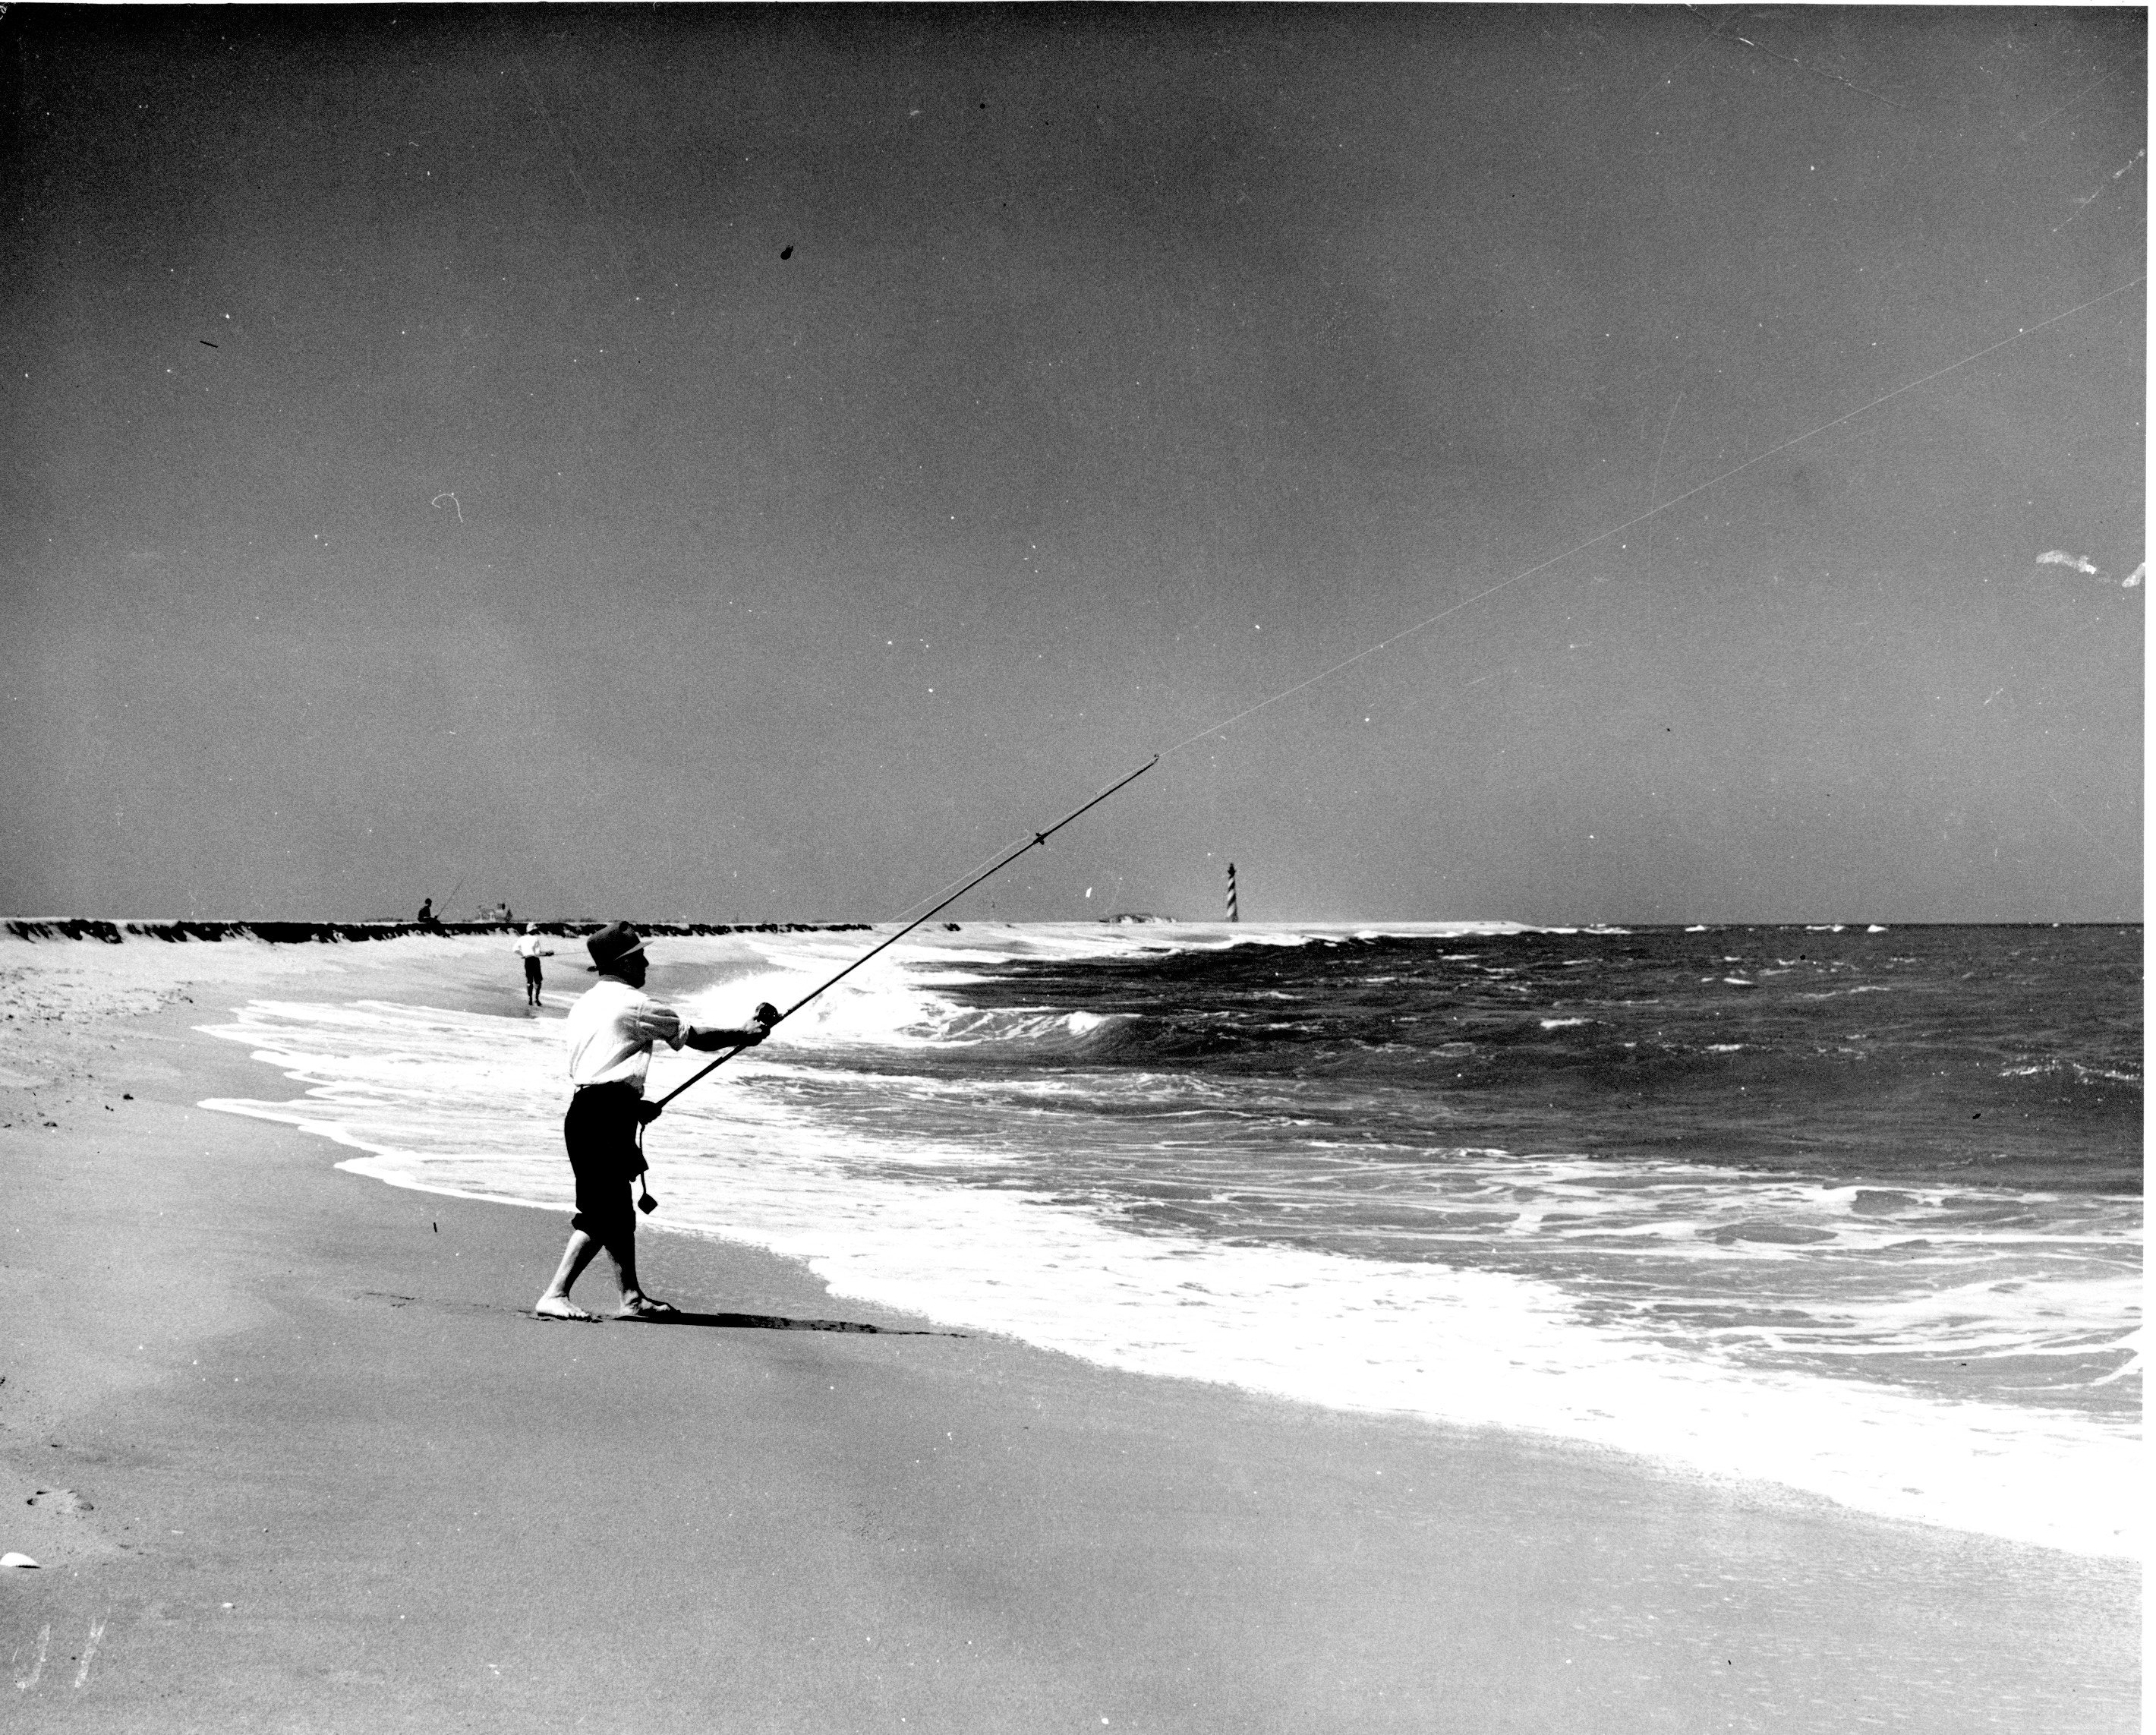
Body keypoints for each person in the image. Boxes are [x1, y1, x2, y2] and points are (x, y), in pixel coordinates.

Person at [534, 922, 779, 1321]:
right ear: (623, 963)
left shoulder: (586, 1003)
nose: (646, 962)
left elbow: (602, 1064)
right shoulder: (635, 1004)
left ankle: (631, 1298)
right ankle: (555, 1293)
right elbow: (694, 1036)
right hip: (605, 1115)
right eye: (639, 956)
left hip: (588, 1111)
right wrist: (745, 1033)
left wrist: (633, 1105)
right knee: (603, 1212)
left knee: (617, 1209)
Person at [514, 923, 554, 1008]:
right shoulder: (535, 938)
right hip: (535, 961)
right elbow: (538, 953)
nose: (536, 931)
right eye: (535, 930)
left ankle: (530, 1000)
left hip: (527, 960)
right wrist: (548, 954)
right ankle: (536, 999)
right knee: (538, 981)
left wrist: (524, 955)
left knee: (529, 981)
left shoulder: (521, 939)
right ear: (532, 930)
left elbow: (515, 950)